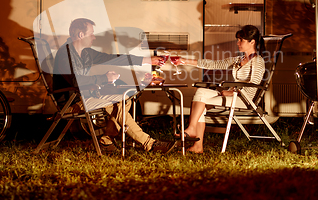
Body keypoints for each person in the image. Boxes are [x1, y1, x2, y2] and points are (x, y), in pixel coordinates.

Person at [53, 18, 175, 153]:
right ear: (81, 35)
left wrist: (146, 60)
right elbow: (75, 81)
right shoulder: (65, 54)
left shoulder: (86, 52)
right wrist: (104, 78)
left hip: (86, 96)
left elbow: (114, 58)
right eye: (91, 33)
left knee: (126, 98)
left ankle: (106, 141)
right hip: (71, 102)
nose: (94, 37)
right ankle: (149, 144)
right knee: (117, 104)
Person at [174, 25, 265, 153]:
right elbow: (213, 64)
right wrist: (184, 61)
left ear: (252, 42)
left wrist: (232, 92)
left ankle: (193, 133)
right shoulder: (239, 60)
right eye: (238, 39)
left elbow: (253, 85)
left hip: (244, 99)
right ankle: (196, 140)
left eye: (241, 40)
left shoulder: (257, 61)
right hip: (234, 95)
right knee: (200, 91)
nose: (237, 43)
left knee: (201, 99)